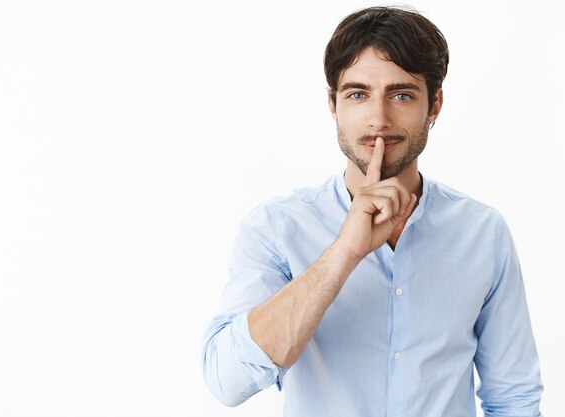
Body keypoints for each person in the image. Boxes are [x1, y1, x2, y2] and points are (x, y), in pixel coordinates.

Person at [201, 6, 543, 417]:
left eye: (401, 94)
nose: (379, 119)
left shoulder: (483, 232)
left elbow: (514, 400)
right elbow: (228, 381)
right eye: (358, 94)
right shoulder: (277, 229)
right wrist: (343, 254)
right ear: (333, 104)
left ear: (434, 105)